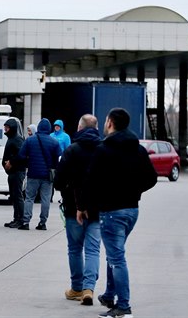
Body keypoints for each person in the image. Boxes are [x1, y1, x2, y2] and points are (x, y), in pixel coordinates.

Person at [86, 108, 157, 318]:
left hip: (111, 211)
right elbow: (151, 178)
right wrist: (135, 190)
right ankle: (109, 294)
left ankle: (124, 306)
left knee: (117, 258)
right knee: (114, 252)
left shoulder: (103, 149)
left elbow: (90, 181)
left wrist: (86, 207)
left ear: (110, 123)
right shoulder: (138, 149)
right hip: (131, 210)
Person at [53, 114, 102, 305]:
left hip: (73, 208)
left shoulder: (72, 150)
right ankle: (89, 288)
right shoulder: (104, 150)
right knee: (93, 250)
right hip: (98, 209)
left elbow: (58, 182)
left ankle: (77, 288)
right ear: (96, 128)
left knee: (74, 249)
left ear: (80, 128)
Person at [17, 118, 61, 230]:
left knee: (29, 198)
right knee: (45, 199)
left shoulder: (30, 140)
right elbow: (59, 159)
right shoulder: (54, 142)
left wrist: (29, 162)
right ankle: (42, 223)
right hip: (47, 176)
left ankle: (26, 222)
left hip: (33, 174)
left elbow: (21, 156)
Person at [2, 117, 27, 229]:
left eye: (7, 127)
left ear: (11, 128)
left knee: (18, 196)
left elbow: (22, 154)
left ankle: (20, 219)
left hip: (17, 171)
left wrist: (11, 162)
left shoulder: (17, 139)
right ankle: (16, 218)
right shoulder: (11, 138)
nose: (5, 129)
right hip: (12, 172)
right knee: (14, 196)